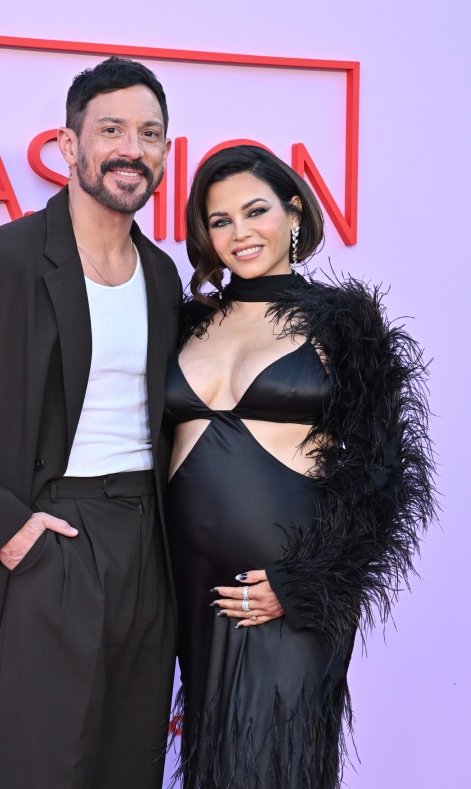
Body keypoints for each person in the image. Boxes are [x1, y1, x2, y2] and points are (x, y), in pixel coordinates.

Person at [0, 57, 182, 789]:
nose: (131, 149)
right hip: (55, 541)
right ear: (68, 144)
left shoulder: (165, 274)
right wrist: (6, 529)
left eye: (150, 134)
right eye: (110, 129)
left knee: (133, 765)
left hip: (150, 543)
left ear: (166, 153)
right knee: (42, 770)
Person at [164, 144, 435, 788]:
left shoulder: (345, 324)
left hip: (286, 585)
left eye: (254, 211)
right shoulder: (185, 320)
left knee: (275, 769)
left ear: (292, 212)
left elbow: (385, 474)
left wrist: (303, 584)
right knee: (210, 765)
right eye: (219, 220)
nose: (239, 233)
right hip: (187, 586)